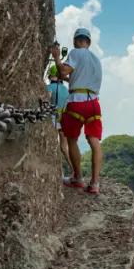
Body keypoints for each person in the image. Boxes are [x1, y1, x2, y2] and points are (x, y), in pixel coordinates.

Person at [51, 28, 103, 194]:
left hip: (77, 103)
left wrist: (57, 57)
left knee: (71, 140)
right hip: (94, 103)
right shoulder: (96, 60)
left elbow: (64, 70)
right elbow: (79, 78)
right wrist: (67, 79)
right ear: (88, 42)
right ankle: (95, 184)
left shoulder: (75, 53)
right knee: (94, 142)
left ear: (76, 41)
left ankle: (78, 178)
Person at [45, 63, 72, 173]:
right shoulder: (65, 89)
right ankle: (74, 169)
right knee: (64, 148)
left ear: (50, 76)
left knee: (51, 144)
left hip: (52, 118)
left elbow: (46, 102)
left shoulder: (48, 88)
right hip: (64, 118)